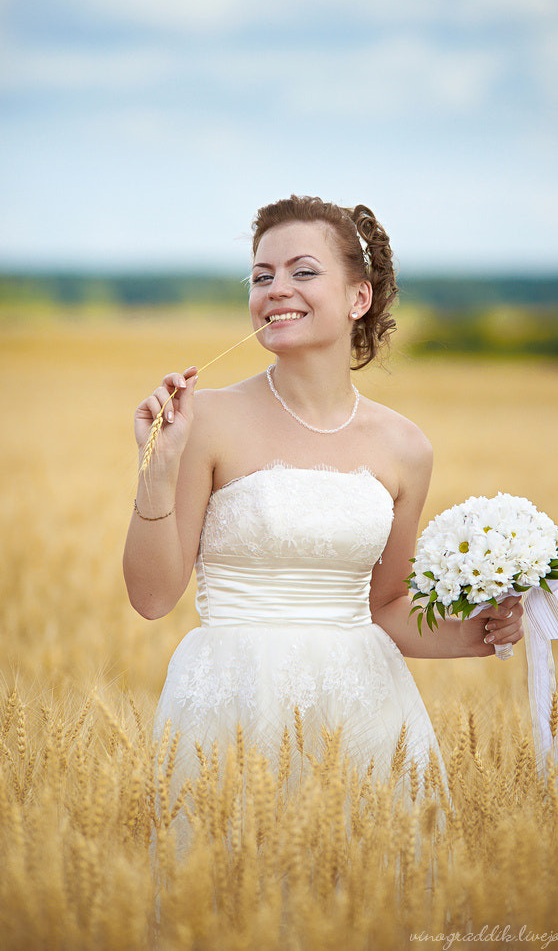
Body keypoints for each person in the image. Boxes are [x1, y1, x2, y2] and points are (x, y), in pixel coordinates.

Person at [123, 195, 524, 857]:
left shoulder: (404, 447)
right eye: (261, 276)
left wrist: (481, 632)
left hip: (363, 710)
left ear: (358, 297)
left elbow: (385, 609)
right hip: (228, 700)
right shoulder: (207, 420)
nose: (275, 289)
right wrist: (157, 469)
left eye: (302, 271)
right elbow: (152, 597)